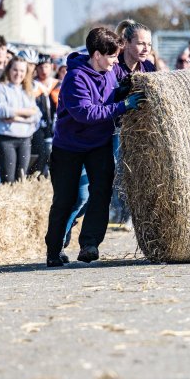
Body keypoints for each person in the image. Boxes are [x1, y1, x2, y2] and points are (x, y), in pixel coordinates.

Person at [43, 27, 144, 268]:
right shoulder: (75, 78)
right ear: (97, 54)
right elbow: (86, 113)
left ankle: (90, 244)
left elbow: (110, 94)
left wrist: (124, 91)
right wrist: (122, 106)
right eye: (111, 57)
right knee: (66, 199)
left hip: (98, 144)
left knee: (101, 193)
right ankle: (54, 250)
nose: (115, 61)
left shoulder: (109, 72)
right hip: (69, 147)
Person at [111, 20, 157, 228]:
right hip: (114, 130)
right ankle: (116, 212)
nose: (145, 48)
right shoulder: (114, 66)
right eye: (140, 43)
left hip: (140, 130)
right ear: (126, 43)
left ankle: (134, 215)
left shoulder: (148, 67)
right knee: (117, 172)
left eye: (148, 43)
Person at [0, 56, 41, 183]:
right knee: (8, 180)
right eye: (15, 70)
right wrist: (27, 113)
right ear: (9, 70)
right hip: (5, 139)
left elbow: (37, 115)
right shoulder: (0, 88)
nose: (18, 74)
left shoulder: (27, 91)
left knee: (21, 180)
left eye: (22, 71)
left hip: (25, 139)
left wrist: (15, 117)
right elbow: (1, 111)